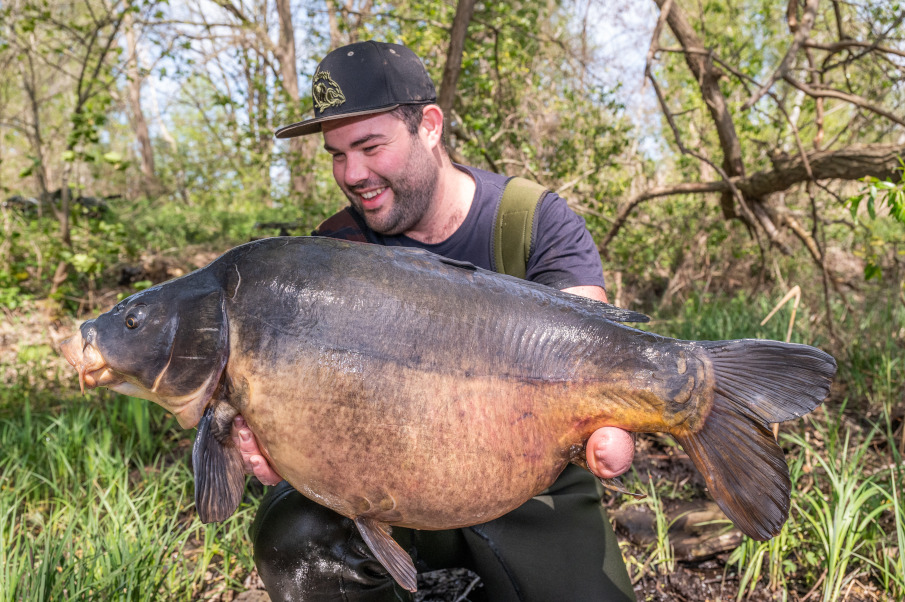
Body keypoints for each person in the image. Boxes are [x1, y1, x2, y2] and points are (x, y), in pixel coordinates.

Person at [230, 40, 637, 601]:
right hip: (386, 495)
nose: (353, 172)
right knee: (294, 537)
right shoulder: (335, 251)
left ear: (429, 126)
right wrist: (278, 440)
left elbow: (599, 358)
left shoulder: (531, 221)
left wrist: (611, 419)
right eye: (336, 154)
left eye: (371, 146)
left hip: (527, 488)